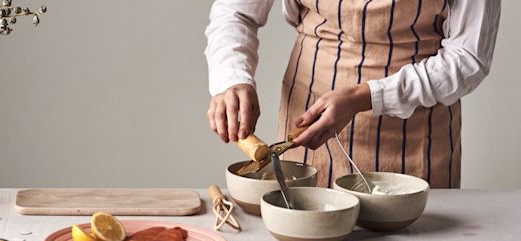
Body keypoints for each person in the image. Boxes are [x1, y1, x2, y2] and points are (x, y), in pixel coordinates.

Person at [204, 0, 500, 188]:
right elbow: (236, 11)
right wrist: (232, 78)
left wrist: (367, 96)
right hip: (308, 122)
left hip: (416, 134)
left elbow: (468, 59)